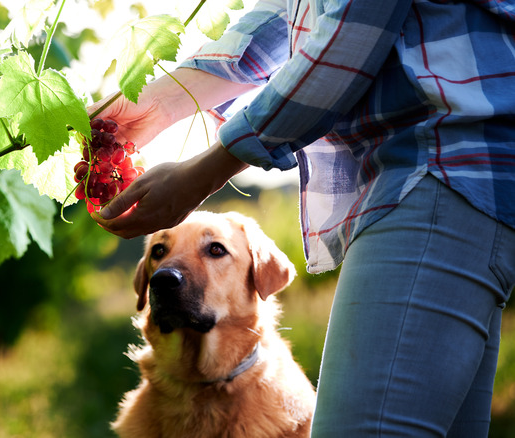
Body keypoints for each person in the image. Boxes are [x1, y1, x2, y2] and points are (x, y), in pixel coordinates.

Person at [89, 0, 515, 436]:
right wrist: (157, 103)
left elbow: (347, 37)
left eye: (215, 251)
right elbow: (288, 15)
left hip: (439, 166)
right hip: (426, 178)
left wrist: (207, 170)